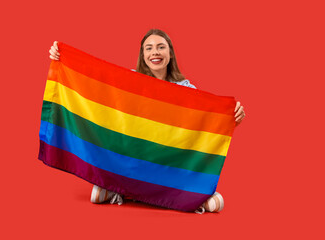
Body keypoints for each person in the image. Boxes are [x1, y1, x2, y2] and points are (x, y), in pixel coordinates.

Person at [48, 29, 246, 213]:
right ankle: (117, 185)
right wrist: (62, 57)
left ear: (170, 54)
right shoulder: (131, 82)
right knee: (117, 150)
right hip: (134, 154)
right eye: (148, 48)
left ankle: (128, 191)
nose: (155, 52)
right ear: (143, 55)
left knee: (214, 202)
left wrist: (231, 118)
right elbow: (99, 90)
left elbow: (205, 123)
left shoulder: (186, 90)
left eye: (161, 47)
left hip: (167, 157)